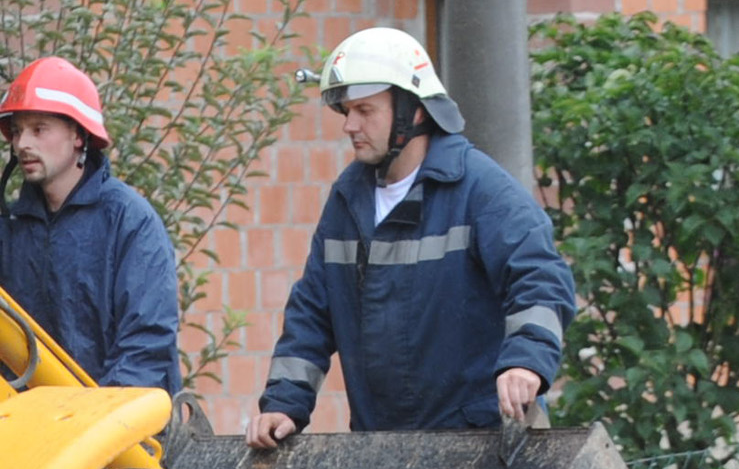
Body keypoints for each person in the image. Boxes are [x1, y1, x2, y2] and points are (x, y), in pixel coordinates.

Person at [245, 27, 577, 445]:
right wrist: (283, 403)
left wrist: (526, 363)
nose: (349, 125)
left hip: (485, 449)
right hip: (381, 448)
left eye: (365, 110)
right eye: (346, 111)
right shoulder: (348, 200)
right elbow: (312, 311)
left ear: (414, 111)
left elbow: (541, 281)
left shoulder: (482, 191)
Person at [0, 57, 183, 393]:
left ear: (78, 135)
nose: (22, 144)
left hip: (121, 432)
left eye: (39, 129)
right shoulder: (7, 233)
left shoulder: (129, 222)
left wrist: (97, 423)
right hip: (32, 431)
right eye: (16, 132)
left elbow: (146, 345)